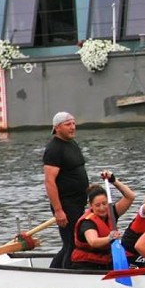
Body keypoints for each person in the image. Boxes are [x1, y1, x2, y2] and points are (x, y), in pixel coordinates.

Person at [43, 111, 89, 269]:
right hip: (65, 204)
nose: (73, 127)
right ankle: (66, 274)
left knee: (71, 242)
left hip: (79, 202)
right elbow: (49, 181)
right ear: (57, 128)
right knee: (73, 242)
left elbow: (77, 171)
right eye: (68, 124)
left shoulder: (72, 143)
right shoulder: (54, 149)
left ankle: (53, 271)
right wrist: (58, 210)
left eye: (74, 123)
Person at [70, 172, 136, 270]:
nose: (102, 208)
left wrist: (113, 180)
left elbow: (130, 197)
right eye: (97, 205)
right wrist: (110, 238)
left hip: (105, 259)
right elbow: (93, 242)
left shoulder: (111, 213)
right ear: (90, 205)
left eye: (104, 203)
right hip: (87, 263)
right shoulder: (87, 222)